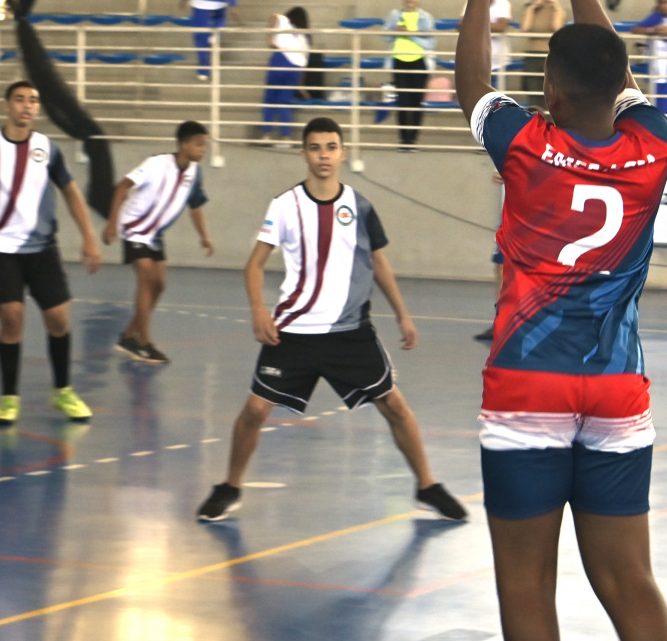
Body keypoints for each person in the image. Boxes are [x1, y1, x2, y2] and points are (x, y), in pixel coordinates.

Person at [452, 0, 667, 641]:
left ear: (553, 91)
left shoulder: (525, 143)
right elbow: (618, 76)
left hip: (527, 384)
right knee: (626, 574)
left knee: (525, 578)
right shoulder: (654, 146)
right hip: (616, 388)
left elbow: (470, 85)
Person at [193, 116, 467, 525]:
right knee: (254, 410)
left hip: (349, 334)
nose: (324, 154)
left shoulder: (359, 206)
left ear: (342, 152)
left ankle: (427, 485)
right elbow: (254, 265)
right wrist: (258, 311)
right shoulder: (285, 205)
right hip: (294, 333)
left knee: (394, 404)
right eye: (316, 147)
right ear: (305, 153)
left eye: (331, 146)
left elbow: (378, 262)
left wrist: (402, 315)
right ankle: (230, 487)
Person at [0, 82, 103, 423]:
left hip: (42, 247)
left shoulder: (47, 148)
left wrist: (89, 237)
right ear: (7, 105)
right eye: (20, 99)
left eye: (33, 100)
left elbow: (71, 193)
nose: (27, 105)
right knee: (12, 318)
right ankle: (8, 397)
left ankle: (63, 391)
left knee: (59, 319)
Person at [105, 121, 214, 366]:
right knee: (146, 279)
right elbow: (122, 186)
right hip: (134, 227)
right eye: (198, 144)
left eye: (205, 145)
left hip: (155, 234)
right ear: (184, 144)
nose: (203, 150)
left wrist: (204, 236)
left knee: (159, 285)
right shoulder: (156, 164)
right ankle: (144, 343)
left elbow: (195, 206)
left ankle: (127, 336)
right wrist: (112, 223)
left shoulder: (194, 173)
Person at [385, 0, 437, 147]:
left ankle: (412, 140)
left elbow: (430, 44)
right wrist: (394, 31)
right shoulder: (394, 15)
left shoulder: (426, 17)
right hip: (399, 61)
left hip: (419, 63)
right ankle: (403, 140)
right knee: (402, 101)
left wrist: (409, 34)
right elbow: (384, 37)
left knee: (416, 102)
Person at [262, 8, 311, 143]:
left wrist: (270, 38)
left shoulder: (285, 21)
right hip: (296, 69)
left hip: (280, 60)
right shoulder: (305, 38)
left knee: (269, 100)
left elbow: (273, 16)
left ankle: (267, 135)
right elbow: (304, 64)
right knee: (284, 102)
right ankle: (286, 137)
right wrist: (301, 87)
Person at [519, 0, 569, 95]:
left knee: (550, 92)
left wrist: (556, 7)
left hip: (551, 56)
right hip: (532, 54)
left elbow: (557, 28)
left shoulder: (559, 10)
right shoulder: (530, 9)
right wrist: (531, 9)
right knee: (533, 90)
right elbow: (525, 28)